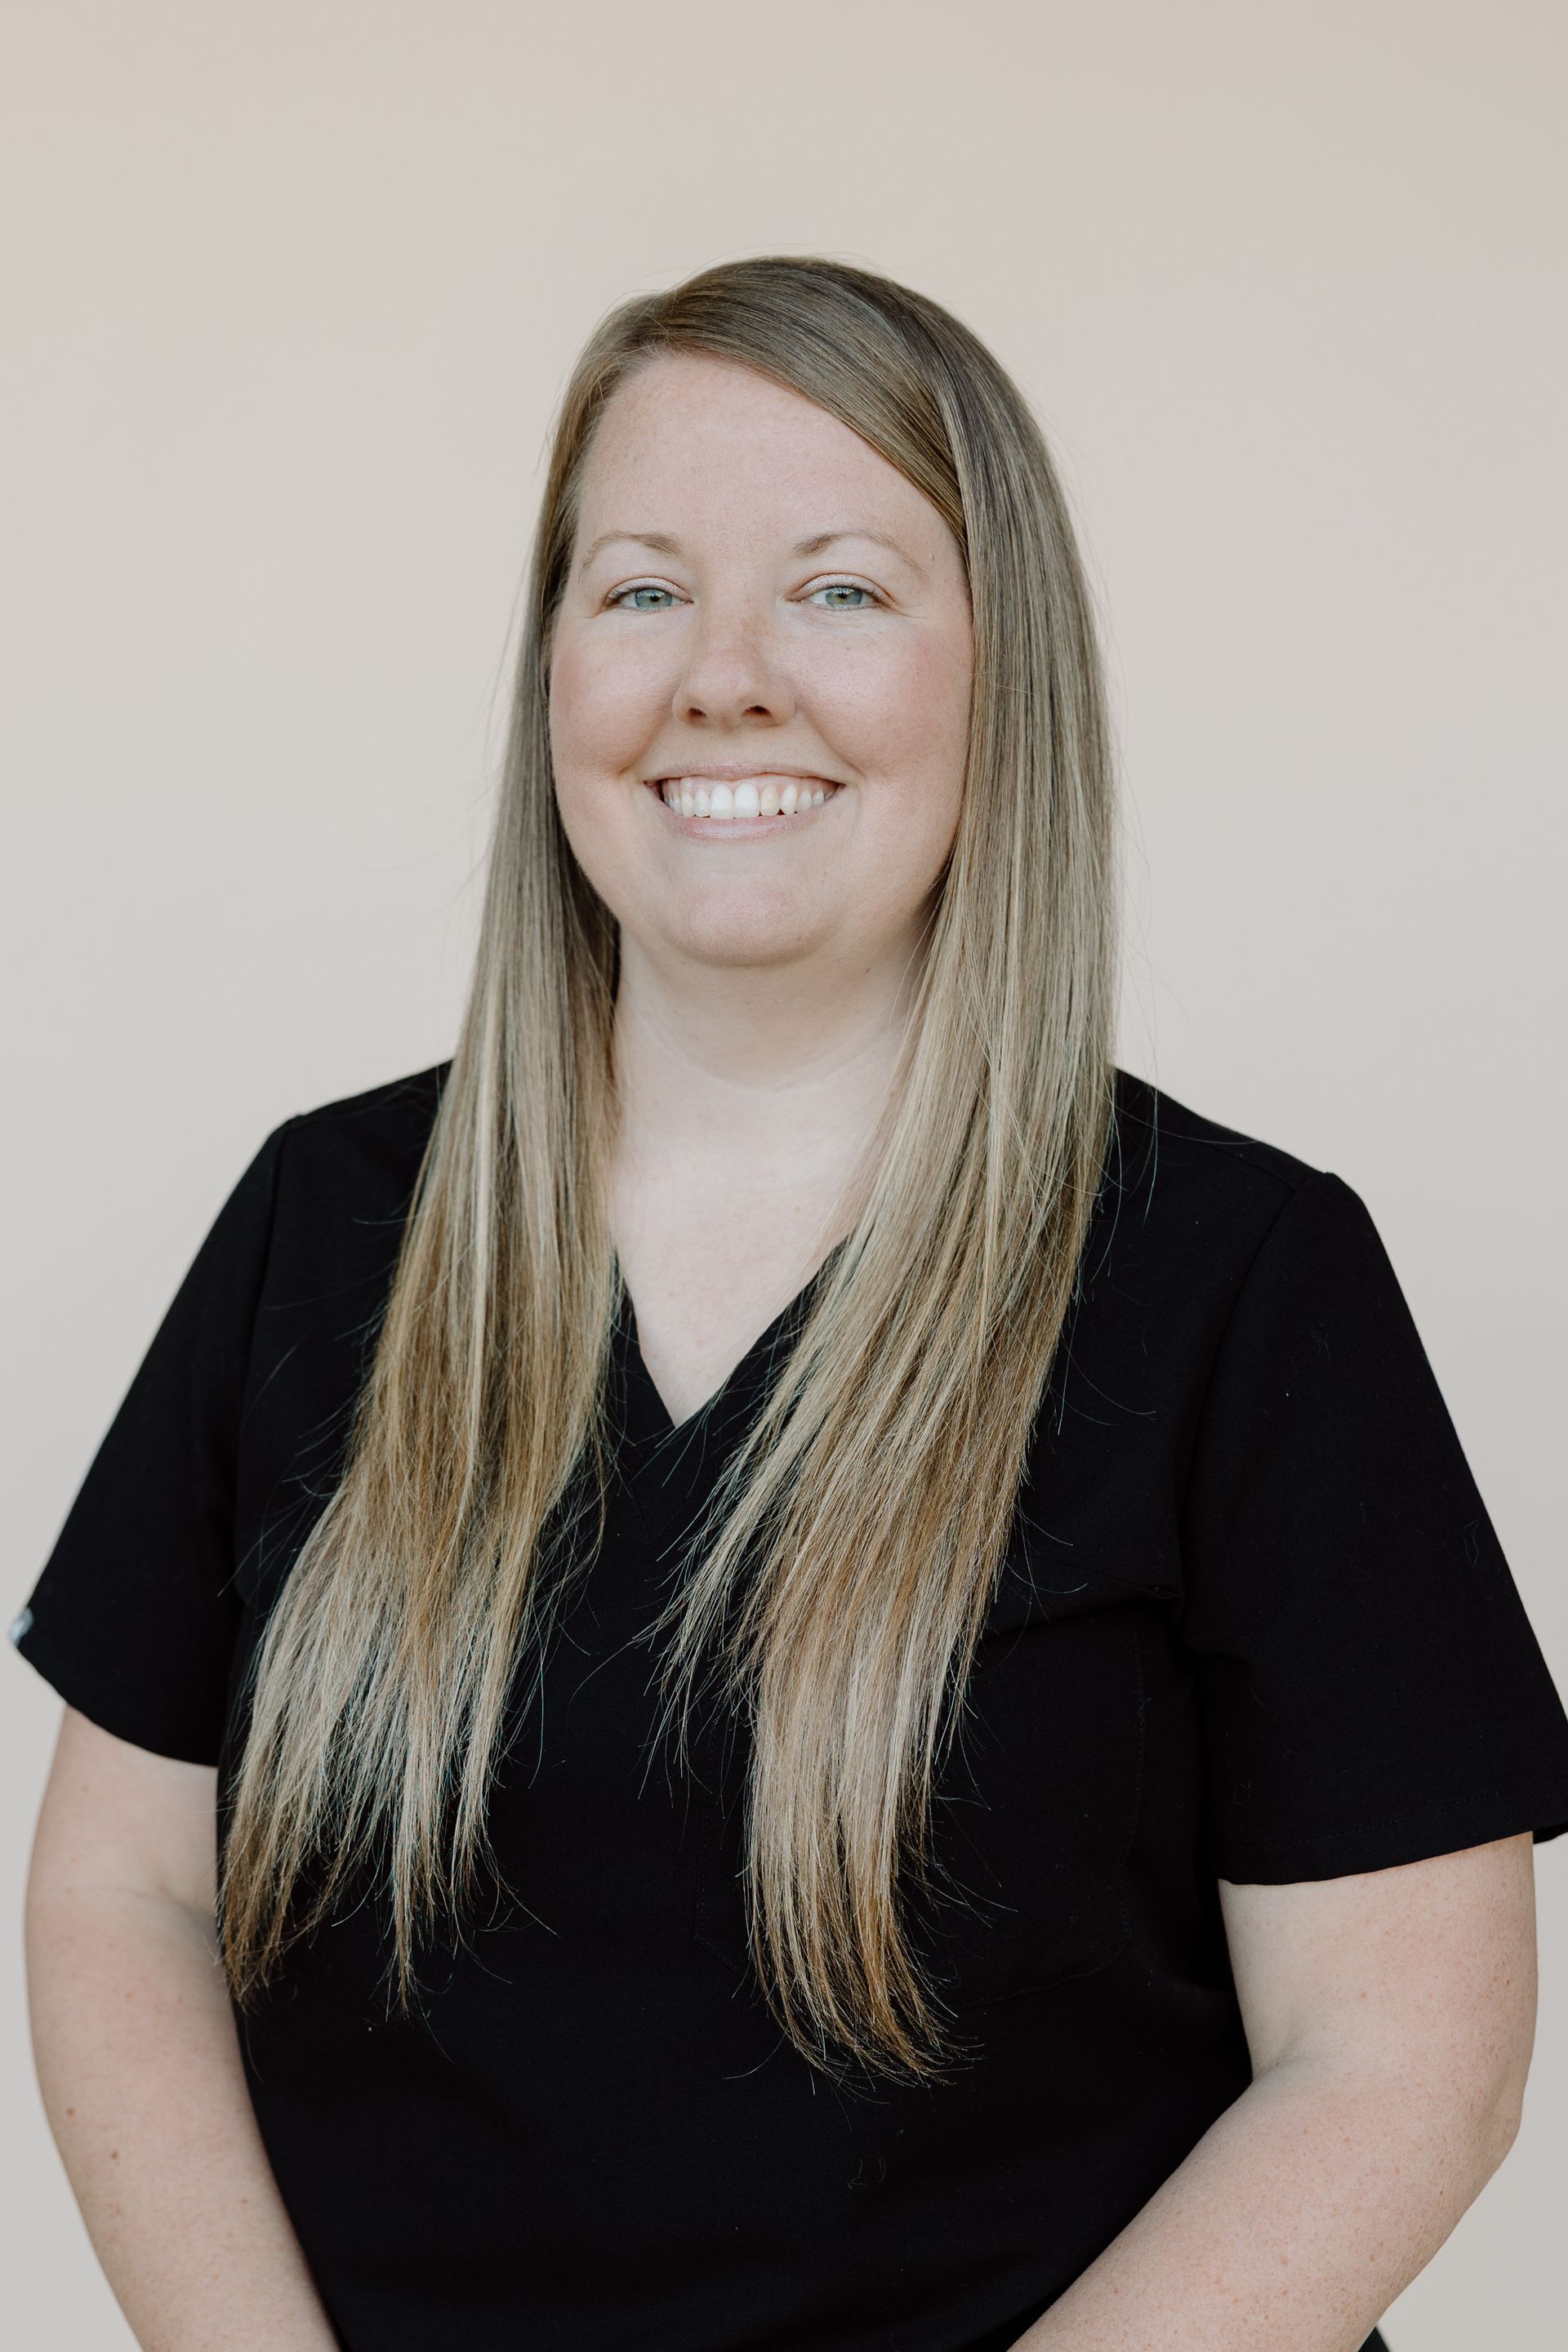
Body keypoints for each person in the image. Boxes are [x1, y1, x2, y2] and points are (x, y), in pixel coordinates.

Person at [14, 255, 1568, 2352]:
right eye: (643, 589)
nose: (724, 677)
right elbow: (125, 1895)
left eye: (839, 590)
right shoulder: (327, 1224)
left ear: (1001, 675)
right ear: (554, 671)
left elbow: (1399, 2060)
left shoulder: (1242, 1284)